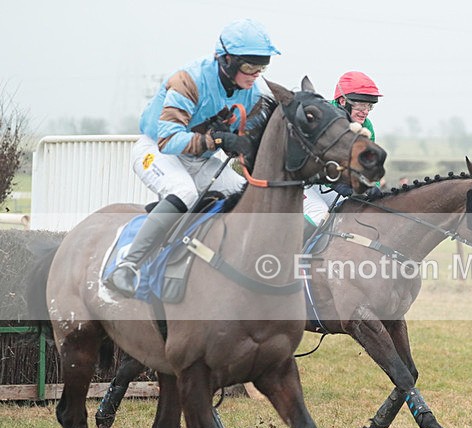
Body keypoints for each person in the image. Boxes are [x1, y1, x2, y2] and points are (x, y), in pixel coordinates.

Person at [106, 18, 280, 297]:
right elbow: (169, 140)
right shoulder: (189, 80)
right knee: (184, 191)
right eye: (249, 67)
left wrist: (242, 146)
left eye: (262, 67)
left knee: (242, 193)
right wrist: (218, 139)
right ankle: (128, 266)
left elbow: (243, 140)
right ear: (227, 60)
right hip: (157, 151)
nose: (255, 74)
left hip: (199, 160)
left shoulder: (253, 93)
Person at [302, 71, 382, 234]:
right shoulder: (321, 118)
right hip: (301, 182)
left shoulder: (366, 126)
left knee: (356, 213)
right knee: (320, 215)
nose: (365, 111)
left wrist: (373, 187)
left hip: (325, 185)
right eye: (361, 105)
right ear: (343, 101)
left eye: (369, 106)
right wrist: (337, 183)